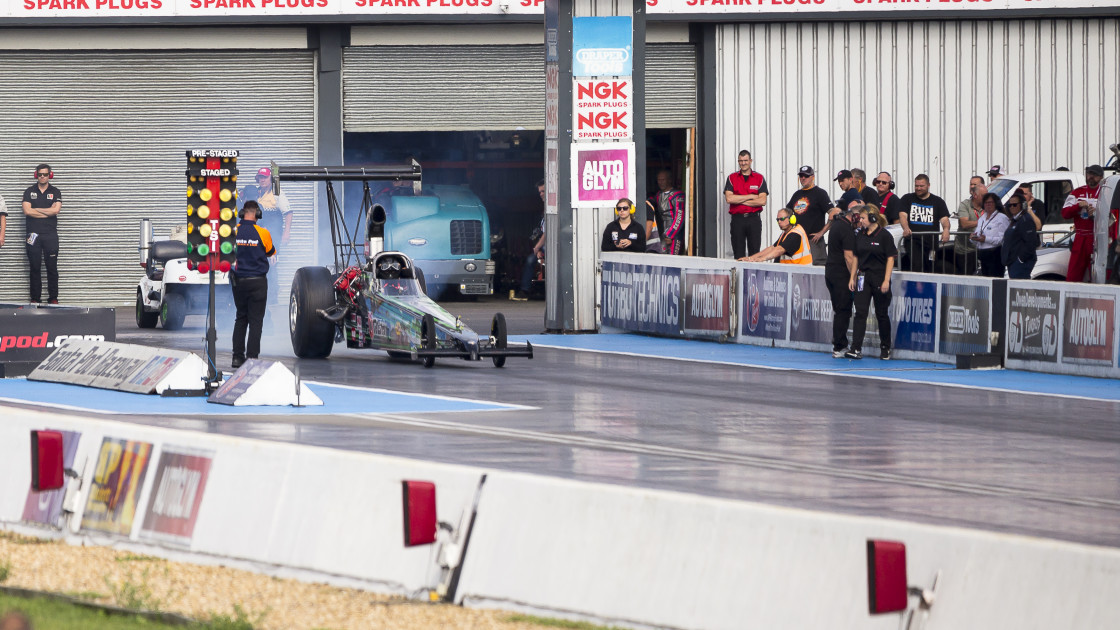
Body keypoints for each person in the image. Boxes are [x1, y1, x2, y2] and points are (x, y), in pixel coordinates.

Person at [231, 200, 276, 369]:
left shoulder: (234, 231)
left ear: (242, 213)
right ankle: (252, 358)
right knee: (256, 320)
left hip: (239, 281)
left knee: (241, 317)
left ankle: (237, 357)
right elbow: (271, 252)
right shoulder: (263, 232)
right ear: (257, 214)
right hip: (258, 282)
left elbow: (226, 251)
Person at [848, 205, 896, 360]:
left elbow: (890, 258)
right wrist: (852, 277)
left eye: (863, 218)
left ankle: (885, 347)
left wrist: (886, 280)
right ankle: (856, 348)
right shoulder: (860, 234)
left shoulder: (884, 236)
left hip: (879, 277)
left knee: (881, 314)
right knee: (860, 312)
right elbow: (856, 256)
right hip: (863, 277)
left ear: (872, 218)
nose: (860, 221)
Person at [238, 167, 291, 303]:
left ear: (271, 179)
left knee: (271, 264)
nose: (262, 180)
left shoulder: (277, 193)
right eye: (260, 177)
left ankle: (272, 298)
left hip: (273, 236)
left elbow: (288, 213)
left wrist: (286, 233)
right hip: (256, 235)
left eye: (265, 177)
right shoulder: (254, 193)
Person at [22, 163, 62, 304]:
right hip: (33, 235)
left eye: (45, 174)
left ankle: (53, 298)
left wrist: (36, 210)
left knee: (52, 267)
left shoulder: (55, 191)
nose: (42, 177)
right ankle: (35, 299)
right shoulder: (29, 191)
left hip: (50, 235)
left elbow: (56, 211)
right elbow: (27, 211)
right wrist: (47, 211)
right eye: (40, 174)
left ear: (50, 175)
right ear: (36, 175)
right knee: (34, 267)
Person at [824, 205, 860, 358]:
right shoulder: (846, 229)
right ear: (855, 217)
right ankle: (839, 346)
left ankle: (839, 343)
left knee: (839, 310)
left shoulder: (837, 224)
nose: (862, 224)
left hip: (831, 271)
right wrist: (854, 277)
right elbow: (849, 257)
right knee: (843, 310)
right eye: (861, 219)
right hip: (841, 274)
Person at [897, 174, 950, 273]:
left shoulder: (938, 201)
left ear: (928, 185)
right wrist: (906, 228)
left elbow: (944, 219)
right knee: (917, 265)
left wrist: (946, 230)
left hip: (931, 242)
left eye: (921, 186)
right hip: (913, 240)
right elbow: (903, 216)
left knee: (930, 267)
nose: (918, 188)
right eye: (916, 186)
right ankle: (917, 287)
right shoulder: (907, 198)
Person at [1060, 164, 1104, 282]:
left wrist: (1096, 213)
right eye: (1089, 174)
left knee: (1097, 276)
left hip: (1098, 238)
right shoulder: (1077, 192)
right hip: (1080, 237)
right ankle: (1070, 299)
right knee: (1073, 275)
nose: (1091, 177)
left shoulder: (1105, 194)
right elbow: (1064, 213)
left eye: (1094, 175)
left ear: (1101, 177)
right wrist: (1077, 206)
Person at [724, 149, 769, 259]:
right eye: (740, 160)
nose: (743, 163)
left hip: (753, 219)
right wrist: (750, 196)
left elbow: (762, 201)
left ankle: (754, 276)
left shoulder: (759, 178)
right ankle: (739, 276)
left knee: (755, 254)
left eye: (745, 160)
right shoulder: (731, 178)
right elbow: (729, 199)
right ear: (738, 161)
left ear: (750, 161)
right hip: (737, 220)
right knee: (738, 253)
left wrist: (739, 200)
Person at [785, 165, 832, 265]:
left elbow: (833, 213)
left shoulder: (820, 193)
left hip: (813, 241)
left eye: (806, 176)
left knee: (817, 269)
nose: (803, 178)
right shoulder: (797, 194)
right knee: (798, 269)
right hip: (798, 240)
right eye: (801, 176)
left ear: (812, 177)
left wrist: (821, 232)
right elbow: (786, 213)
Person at [513, 180, 546, 301]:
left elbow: (547, 233)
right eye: (540, 192)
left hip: (552, 247)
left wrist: (537, 247)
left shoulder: (552, 208)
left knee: (532, 259)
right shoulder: (545, 210)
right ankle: (525, 290)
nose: (541, 194)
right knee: (530, 260)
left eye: (543, 191)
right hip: (544, 247)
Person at [742, 208, 811, 265]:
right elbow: (772, 248)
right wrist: (751, 258)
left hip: (800, 274)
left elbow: (779, 250)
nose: (779, 222)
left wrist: (762, 259)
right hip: (792, 272)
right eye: (778, 220)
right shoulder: (786, 233)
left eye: (782, 219)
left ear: (791, 219)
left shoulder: (795, 234)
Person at [969, 192, 1011, 278]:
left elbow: (1003, 239)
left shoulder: (1002, 218)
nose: (988, 205)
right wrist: (973, 238)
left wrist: (986, 239)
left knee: (995, 281)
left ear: (996, 204)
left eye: (991, 202)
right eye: (986, 203)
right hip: (982, 255)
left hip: (995, 255)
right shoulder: (982, 218)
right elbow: (978, 235)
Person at [648, 169, 686, 255]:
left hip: (675, 234)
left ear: (669, 180)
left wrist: (671, 234)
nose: (660, 182)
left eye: (663, 180)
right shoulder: (658, 195)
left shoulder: (678, 195)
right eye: (659, 180)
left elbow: (679, 217)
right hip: (662, 232)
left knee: (672, 260)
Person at [1003, 193, 1039, 279]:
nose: (1012, 207)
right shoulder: (1015, 219)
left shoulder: (1025, 219)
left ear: (1022, 205)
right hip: (1012, 261)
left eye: (1014, 205)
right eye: (1009, 205)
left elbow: (1031, 242)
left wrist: (1020, 259)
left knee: (1019, 288)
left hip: (1020, 262)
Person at [953, 176, 985, 276]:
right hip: (966, 250)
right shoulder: (965, 204)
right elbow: (964, 224)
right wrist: (983, 222)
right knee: (966, 277)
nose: (972, 187)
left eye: (975, 185)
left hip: (983, 249)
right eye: (971, 184)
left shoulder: (988, 204)